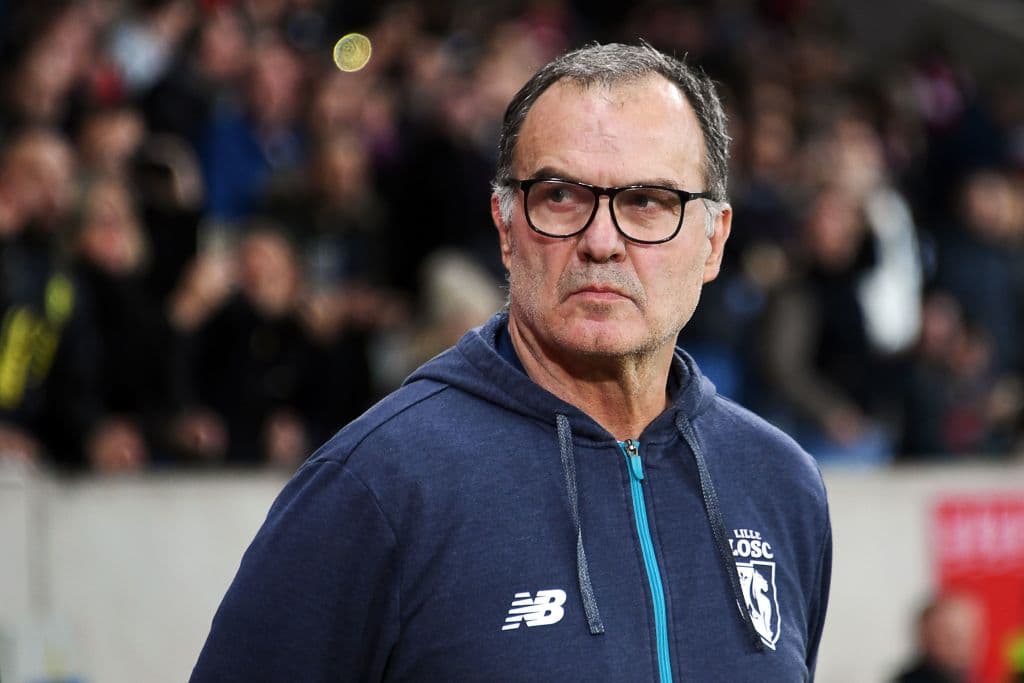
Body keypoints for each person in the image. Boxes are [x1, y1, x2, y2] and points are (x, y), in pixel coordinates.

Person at [192, 42, 832, 682]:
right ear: (505, 228)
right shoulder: (374, 487)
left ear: (714, 240)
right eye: (560, 196)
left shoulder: (781, 485)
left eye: (647, 202)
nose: (601, 241)